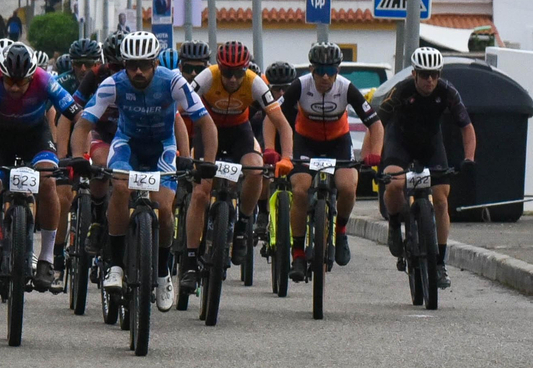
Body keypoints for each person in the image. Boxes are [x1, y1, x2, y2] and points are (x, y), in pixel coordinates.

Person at [71, 31, 217, 312]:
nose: (138, 71)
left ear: (155, 62)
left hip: (162, 147)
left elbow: (205, 123)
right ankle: (115, 266)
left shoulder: (172, 81)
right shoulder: (113, 84)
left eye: (145, 64)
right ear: (124, 64)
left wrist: (206, 163)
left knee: (163, 207)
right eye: (132, 65)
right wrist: (80, 158)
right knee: (121, 188)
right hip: (127, 145)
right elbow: (83, 124)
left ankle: (162, 273)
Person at [0, 43, 80, 294]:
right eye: (9, 81)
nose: (14, 87)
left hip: (35, 138)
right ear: (0, 74)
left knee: (48, 182)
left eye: (20, 82)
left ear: (32, 76)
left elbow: (78, 114)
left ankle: (45, 259)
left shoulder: (45, 80)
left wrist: (79, 154)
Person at [182, 41, 292, 290]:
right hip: (208, 131)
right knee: (200, 192)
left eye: (238, 73)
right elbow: (179, 108)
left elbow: (282, 124)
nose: (232, 79)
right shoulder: (207, 77)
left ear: (246, 70)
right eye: (227, 73)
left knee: (255, 170)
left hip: (239, 132)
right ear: (219, 67)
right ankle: (189, 260)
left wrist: (286, 157)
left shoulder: (254, 82)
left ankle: (243, 224)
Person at [268, 44, 382, 280]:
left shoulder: (346, 88)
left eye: (331, 70)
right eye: (320, 70)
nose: (326, 76)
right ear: (311, 69)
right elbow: (272, 118)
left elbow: (376, 124)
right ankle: (298, 253)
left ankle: (340, 230)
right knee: (299, 190)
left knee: (348, 187)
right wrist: (271, 150)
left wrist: (375, 154)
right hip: (306, 142)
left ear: (338, 69)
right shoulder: (300, 85)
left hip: (338, 142)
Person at [376, 47, 476, 288]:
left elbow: (467, 127)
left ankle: (440, 263)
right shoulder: (402, 90)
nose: (429, 79)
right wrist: (372, 158)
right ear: (414, 74)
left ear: (439, 74)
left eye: (434, 74)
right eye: (424, 74)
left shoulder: (447, 92)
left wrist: (469, 159)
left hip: (430, 145)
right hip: (399, 142)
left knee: (441, 200)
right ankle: (393, 223)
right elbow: (377, 124)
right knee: (394, 184)